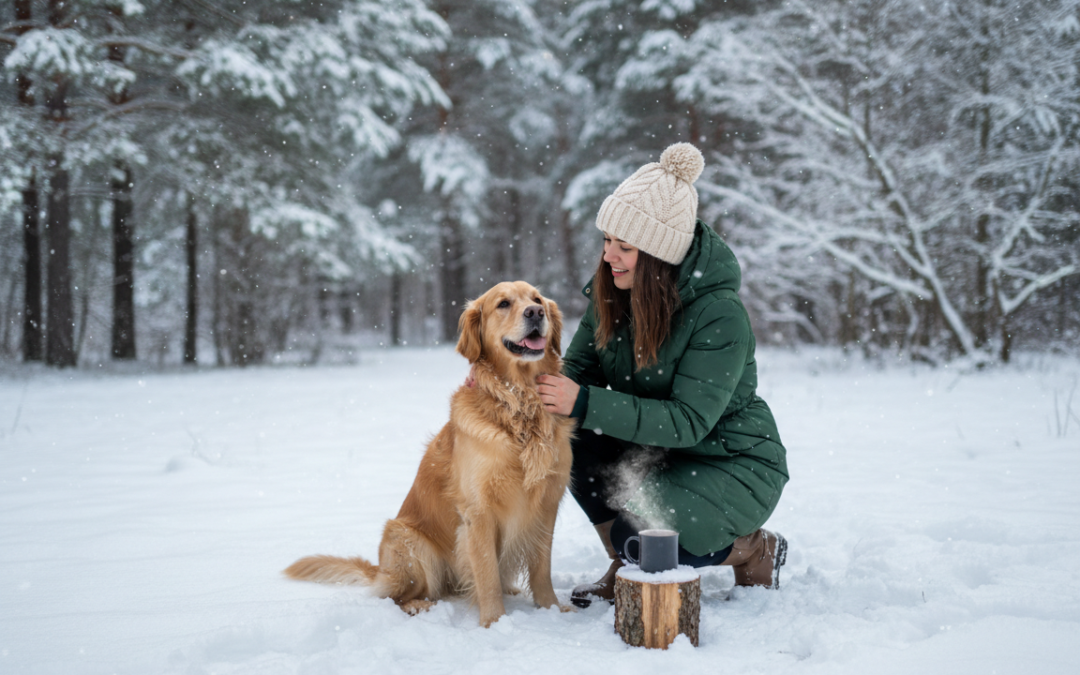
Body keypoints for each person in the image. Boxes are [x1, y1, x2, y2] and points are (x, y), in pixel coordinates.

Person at [535, 142, 789, 608]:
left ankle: (753, 547)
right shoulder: (612, 294)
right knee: (567, 436)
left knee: (649, 538)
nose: (610, 256)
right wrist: (516, 386)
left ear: (659, 255)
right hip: (659, 454)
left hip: (730, 461)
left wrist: (585, 401)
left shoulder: (719, 314)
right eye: (607, 240)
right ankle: (629, 562)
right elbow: (574, 373)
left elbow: (689, 421)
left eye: (625, 246)